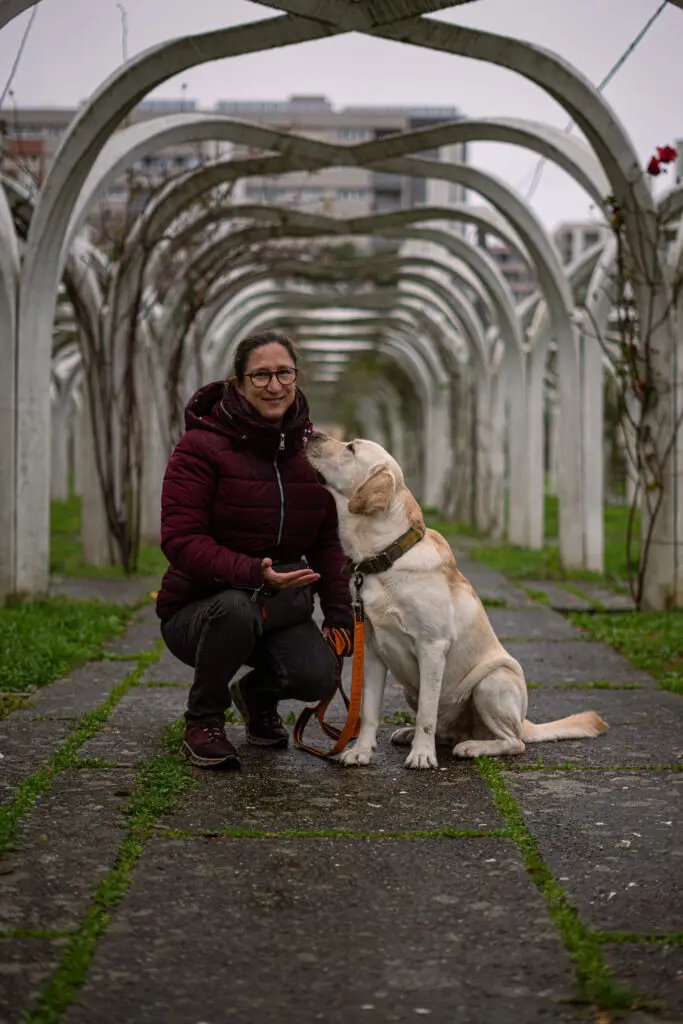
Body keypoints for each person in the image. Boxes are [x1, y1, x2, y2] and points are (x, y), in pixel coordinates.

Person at [156, 329, 354, 770]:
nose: (274, 385)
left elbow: (326, 539)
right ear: (239, 383)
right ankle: (202, 722)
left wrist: (341, 615)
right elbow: (180, 539)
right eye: (260, 375)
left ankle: (255, 696)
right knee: (235, 608)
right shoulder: (200, 448)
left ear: (296, 377)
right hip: (200, 610)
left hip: (281, 609)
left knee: (319, 673)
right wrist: (251, 572)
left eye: (284, 373)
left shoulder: (311, 453)